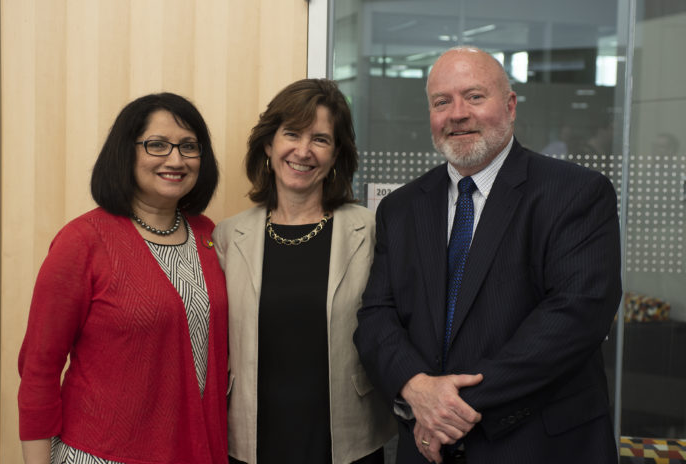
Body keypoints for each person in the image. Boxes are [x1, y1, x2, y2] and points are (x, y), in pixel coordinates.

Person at [354, 47, 622, 464]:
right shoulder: (402, 208)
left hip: (537, 446)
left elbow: (576, 317)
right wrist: (415, 387)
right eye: (442, 102)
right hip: (428, 448)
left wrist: (446, 409)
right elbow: (376, 315)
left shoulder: (574, 193)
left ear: (510, 106)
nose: (457, 113)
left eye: (475, 96)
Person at [18, 93, 228, 464]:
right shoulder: (83, 241)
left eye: (189, 147)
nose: (175, 160)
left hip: (193, 450)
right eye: (157, 145)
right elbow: (39, 369)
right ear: (125, 152)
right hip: (102, 454)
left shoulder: (209, 235)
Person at [213, 78, 395, 464]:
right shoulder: (229, 236)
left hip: (348, 438)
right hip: (252, 437)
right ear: (268, 144)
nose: (303, 150)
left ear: (336, 154)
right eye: (291, 134)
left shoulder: (370, 230)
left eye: (320, 139)